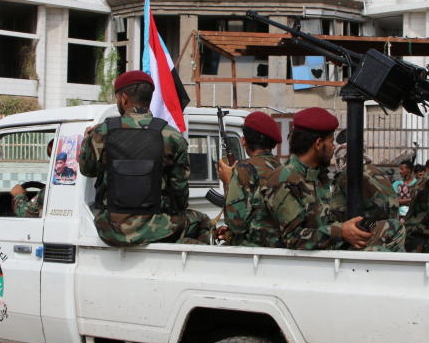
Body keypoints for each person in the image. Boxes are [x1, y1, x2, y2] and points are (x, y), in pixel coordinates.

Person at [78, 70, 212, 245]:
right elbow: (180, 193)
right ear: (148, 98)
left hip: (110, 229)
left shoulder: (102, 132)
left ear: (124, 98)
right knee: (202, 221)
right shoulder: (172, 136)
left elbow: (86, 169)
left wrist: (87, 139)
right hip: (157, 227)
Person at [261, 108, 370, 250]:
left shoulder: (317, 176)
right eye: (331, 141)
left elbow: (324, 222)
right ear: (318, 144)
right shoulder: (286, 180)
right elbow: (293, 238)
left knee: (390, 228)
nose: (333, 147)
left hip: (320, 256)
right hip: (294, 265)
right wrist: (341, 232)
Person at [327, 130, 404, 252]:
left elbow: (337, 213)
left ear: (342, 154)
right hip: (389, 236)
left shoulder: (347, 175)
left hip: (364, 241)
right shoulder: (378, 172)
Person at [216, 111, 283, 247]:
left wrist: (228, 182)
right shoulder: (281, 168)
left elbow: (236, 224)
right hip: (278, 245)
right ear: (274, 144)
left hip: (255, 250)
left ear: (243, 141)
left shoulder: (244, 168)